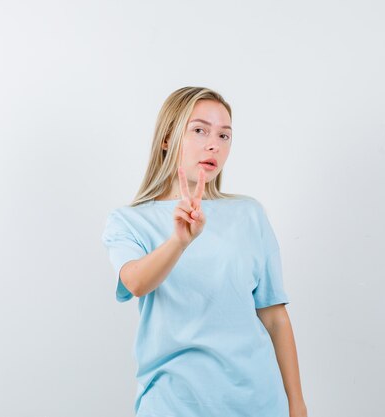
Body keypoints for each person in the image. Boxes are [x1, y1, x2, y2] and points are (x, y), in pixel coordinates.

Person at [101, 86, 307, 417]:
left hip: (258, 403)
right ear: (167, 138)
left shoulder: (249, 214)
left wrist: (297, 405)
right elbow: (135, 282)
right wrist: (179, 241)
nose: (214, 144)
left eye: (224, 135)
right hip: (173, 404)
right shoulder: (129, 221)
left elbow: (274, 317)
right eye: (199, 130)